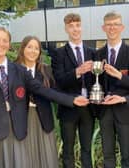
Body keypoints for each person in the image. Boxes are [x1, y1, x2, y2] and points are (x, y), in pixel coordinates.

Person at [0, 26, 89, 168]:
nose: (1, 44)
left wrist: (72, 100)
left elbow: (42, 89)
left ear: (9, 44)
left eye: (5, 40)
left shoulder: (19, 70)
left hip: (16, 130)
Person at [51, 13, 96, 168]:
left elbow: (98, 80)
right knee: (68, 152)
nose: (75, 29)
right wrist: (78, 71)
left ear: (81, 27)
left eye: (77, 25)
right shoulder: (59, 53)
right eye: (71, 26)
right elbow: (60, 81)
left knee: (86, 150)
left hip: (89, 108)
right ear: (66, 29)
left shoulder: (92, 52)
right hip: (69, 108)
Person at [15, 35, 59, 168]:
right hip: (21, 119)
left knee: (46, 156)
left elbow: (56, 92)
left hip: (43, 119)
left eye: (36, 48)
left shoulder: (46, 70)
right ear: (23, 48)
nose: (33, 51)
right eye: (29, 47)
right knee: (24, 155)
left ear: (39, 52)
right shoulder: (13, 69)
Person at [97, 11, 129, 168]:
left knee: (127, 157)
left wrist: (119, 76)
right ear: (103, 28)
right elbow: (94, 83)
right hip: (105, 112)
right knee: (108, 156)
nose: (112, 28)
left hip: (125, 111)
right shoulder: (97, 54)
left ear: (122, 27)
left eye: (115, 24)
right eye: (109, 25)